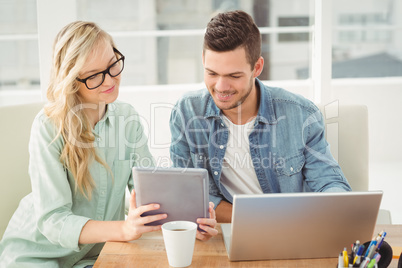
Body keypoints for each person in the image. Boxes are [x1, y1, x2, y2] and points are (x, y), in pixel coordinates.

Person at [0, 21, 217, 267]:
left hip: (92, 257)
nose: (109, 80)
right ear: (72, 81)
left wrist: (188, 222)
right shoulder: (48, 127)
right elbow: (53, 220)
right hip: (34, 255)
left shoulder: (128, 119)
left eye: (112, 64)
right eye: (94, 75)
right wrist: (124, 229)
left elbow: (153, 195)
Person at [169, 10, 352, 223]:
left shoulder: (302, 115)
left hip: (289, 231)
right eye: (212, 73)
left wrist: (334, 206)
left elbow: (328, 182)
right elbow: (187, 195)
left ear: (257, 67)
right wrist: (261, 219)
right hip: (223, 232)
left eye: (234, 76)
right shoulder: (187, 112)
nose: (221, 87)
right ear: (203, 60)